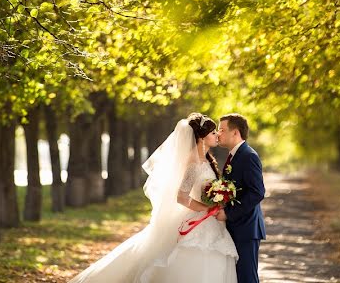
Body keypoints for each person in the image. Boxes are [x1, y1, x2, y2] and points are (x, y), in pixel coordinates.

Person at [68, 113, 237, 283]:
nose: (217, 136)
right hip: (198, 219)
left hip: (210, 220)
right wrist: (207, 208)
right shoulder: (193, 163)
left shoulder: (207, 160)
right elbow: (182, 197)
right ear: (201, 137)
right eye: (213, 132)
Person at [215, 113, 266, 283]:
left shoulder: (248, 155)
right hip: (236, 227)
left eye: (221, 129)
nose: (218, 133)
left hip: (246, 228)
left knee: (247, 277)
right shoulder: (234, 155)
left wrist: (229, 214)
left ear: (235, 132)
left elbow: (257, 192)